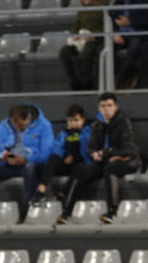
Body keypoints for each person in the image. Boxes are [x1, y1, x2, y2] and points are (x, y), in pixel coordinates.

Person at [57, 91, 140, 224]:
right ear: (99, 108)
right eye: (103, 106)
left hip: (128, 161)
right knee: (82, 172)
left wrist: (108, 153)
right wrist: (94, 154)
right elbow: (91, 147)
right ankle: (67, 212)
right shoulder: (97, 124)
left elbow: (129, 149)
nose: (106, 109)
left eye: (109, 105)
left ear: (115, 107)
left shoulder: (123, 122)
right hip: (105, 161)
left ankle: (112, 212)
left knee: (110, 169)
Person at [0, 104, 54, 223]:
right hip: (9, 165)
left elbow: (46, 154)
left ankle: (25, 214)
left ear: (28, 118)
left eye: (21, 125)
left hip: (30, 164)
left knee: (29, 169)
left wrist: (26, 159)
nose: (17, 128)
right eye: (14, 125)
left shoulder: (44, 125)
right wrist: (1, 157)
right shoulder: (4, 125)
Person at [30, 104, 91, 207]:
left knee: (80, 169)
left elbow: (86, 150)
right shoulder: (64, 133)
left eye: (76, 120)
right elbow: (56, 148)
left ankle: (62, 195)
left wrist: (74, 155)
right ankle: (40, 192)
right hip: (66, 163)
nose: (73, 124)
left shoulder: (87, 132)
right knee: (49, 160)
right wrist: (64, 159)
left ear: (83, 120)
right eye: (70, 121)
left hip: (80, 163)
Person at [59, 0, 112, 91]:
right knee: (64, 52)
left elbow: (106, 27)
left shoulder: (103, 10)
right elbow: (76, 25)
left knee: (87, 53)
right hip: (81, 39)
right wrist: (75, 34)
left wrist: (94, 36)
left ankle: (86, 82)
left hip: (96, 40)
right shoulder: (82, 10)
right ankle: (74, 81)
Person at [110, 0, 148, 89]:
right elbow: (112, 18)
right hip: (121, 35)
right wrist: (115, 34)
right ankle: (102, 82)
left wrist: (130, 22)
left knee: (134, 48)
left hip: (138, 34)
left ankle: (119, 79)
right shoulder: (118, 1)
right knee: (104, 48)